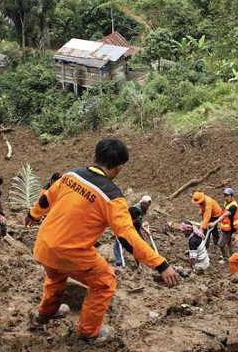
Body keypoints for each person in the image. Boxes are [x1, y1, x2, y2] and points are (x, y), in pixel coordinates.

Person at [25, 137, 180, 340]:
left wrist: (33, 214)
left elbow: (47, 198)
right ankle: (88, 332)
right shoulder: (112, 197)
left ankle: (44, 314)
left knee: (56, 276)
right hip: (71, 253)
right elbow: (127, 236)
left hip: (44, 244)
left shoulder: (71, 175)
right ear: (120, 167)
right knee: (105, 282)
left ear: (94, 157)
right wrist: (160, 264)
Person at [113, 195, 152, 267]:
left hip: (133, 228)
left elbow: (137, 222)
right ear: (143, 203)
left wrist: (145, 230)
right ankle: (119, 261)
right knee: (118, 243)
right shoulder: (134, 210)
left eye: (148, 206)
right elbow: (133, 221)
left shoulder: (141, 210)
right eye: (146, 205)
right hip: (123, 226)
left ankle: (141, 262)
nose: (147, 207)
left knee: (140, 244)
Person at [207, 188, 238, 260]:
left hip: (230, 228)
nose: (225, 198)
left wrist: (214, 223)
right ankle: (233, 256)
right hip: (227, 226)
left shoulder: (233, 206)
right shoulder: (227, 203)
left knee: (221, 244)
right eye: (225, 196)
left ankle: (226, 257)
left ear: (232, 196)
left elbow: (224, 215)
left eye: (227, 196)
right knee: (229, 241)